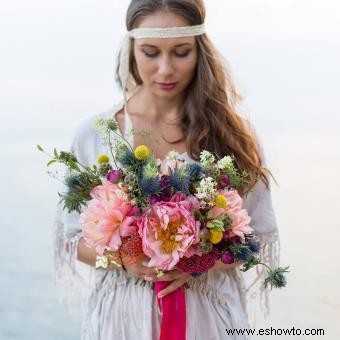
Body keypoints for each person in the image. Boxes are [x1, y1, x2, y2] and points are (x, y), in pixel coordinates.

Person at [53, 1, 281, 339]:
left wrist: (196, 262)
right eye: (150, 52)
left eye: (180, 52)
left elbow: (257, 238)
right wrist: (125, 258)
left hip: (208, 318)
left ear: (200, 50)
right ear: (131, 50)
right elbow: (73, 241)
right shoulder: (97, 135)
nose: (165, 70)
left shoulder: (231, 137)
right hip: (122, 320)